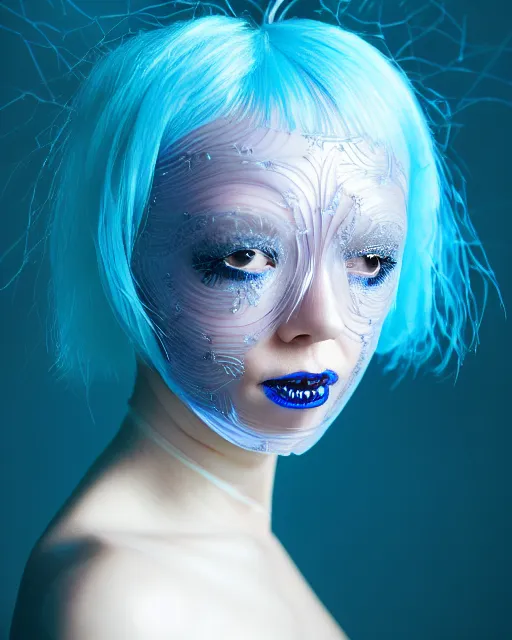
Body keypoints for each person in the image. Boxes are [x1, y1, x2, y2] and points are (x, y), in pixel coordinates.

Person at [9, 2, 493, 638]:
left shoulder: (228, 545)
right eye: (243, 257)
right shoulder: (123, 603)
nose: (319, 321)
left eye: (370, 260)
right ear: (122, 254)